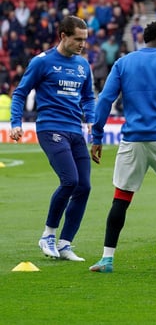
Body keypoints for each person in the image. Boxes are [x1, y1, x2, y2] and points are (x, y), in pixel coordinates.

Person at [89, 21, 156, 274]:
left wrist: (97, 135)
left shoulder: (123, 63)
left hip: (132, 138)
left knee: (121, 198)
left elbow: (105, 99)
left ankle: (107, 259)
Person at [10, 15, 94, 261]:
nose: (82, 44)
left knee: (84, 186)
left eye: (85, 40)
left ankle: (65, 243)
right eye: (77, 39)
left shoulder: (82, 66)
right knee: (69, 181)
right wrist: (16, 123)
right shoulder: (42, 62)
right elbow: (20, 93)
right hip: (50, 128)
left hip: (75, 130)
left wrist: (90, 119)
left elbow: (88, 97)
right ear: (63, 36)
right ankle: (47, 235)